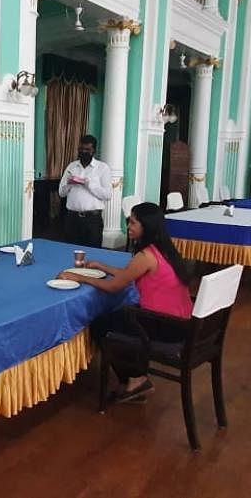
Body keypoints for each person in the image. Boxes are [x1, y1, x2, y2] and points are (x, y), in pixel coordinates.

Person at [58, 202, 194, 403]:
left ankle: (135, 379)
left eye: (132, 222)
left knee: (101, 324)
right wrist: (102, 266)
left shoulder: (146, 255)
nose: (128, 226)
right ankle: (137, 374)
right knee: (119, 315)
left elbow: (114, 287)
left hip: (165, 325)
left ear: (146, 227)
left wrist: (79, 277)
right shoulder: (164, 250)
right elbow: (129, 274)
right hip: (182, 321)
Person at [58, 135, 112, 248]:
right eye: (81, 149)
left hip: (92, 220)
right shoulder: (71, 166)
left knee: (92, 253)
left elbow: (107, 195)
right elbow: (61, 193)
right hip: (72, 219)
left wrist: (89, 185)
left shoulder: (102, 168)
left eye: (87, 150)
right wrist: (69, 183)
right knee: (70, 251)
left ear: (94, 151)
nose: (84, 152)